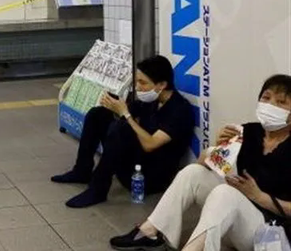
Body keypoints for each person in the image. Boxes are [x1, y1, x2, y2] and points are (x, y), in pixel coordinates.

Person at [110, 74, 291, 251]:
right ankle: (150, 232)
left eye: (281, 102)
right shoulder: (249, 131)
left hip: (271, 234)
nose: (270, 105)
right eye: (266, 98)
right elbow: (203, 162)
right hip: (233, 216)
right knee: (193, 173)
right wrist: (218, 147)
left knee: (226, 193)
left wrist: (259, 197)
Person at [52, 55, 195, 208]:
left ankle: (97, 189)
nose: (138, 87)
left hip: (151, 177)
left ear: (161, 85)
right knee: (98, 114)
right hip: (135, 162)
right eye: (137, 82)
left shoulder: (179, 110)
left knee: (122, 128)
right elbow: (127, 112)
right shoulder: (152, 101)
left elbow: (150, 144)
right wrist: (114, 104)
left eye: (143, 83)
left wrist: (125, 114)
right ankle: (82, 171)